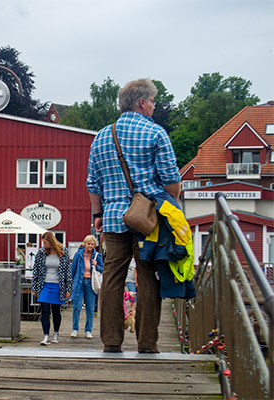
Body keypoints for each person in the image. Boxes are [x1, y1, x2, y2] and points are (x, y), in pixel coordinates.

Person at [86, 78, 181, 353]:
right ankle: (147, 343)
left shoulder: (102, 136)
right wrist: (174, 197)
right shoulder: (156, 133)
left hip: (114, 219)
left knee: (113, 278)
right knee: (148, 276)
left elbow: (92, 183)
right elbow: (170, 179)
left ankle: (111, 341)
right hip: (147, 221)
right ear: (142, 103)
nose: (154, 106)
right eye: (152, 101)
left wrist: (98, 214)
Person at [31, 232, 72, 345]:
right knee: (44, 310)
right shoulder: (41, 252)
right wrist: (34, 287)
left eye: (45, 242)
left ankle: (56, 333)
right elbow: (36, 270)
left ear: (51, 241)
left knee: (56, 311)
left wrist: (68, 289)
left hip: (58, 285)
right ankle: (45, 336)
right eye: (43, 242)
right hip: (44, 284)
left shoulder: (63, 251)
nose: (44, 244)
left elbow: (68, 271)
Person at [70, 235, 103, 339]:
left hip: (91, 283)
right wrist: (70, 283)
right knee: (77, 306)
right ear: (85, 243)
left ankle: (88, 330)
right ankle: (75, 329)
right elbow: (73, 269)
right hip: (79, 282)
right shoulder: (78, 254)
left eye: (92, 244)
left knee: (90, 308)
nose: (90, 246)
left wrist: (96, 265)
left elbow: (103, 270)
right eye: (88, 243)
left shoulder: (97, 256)